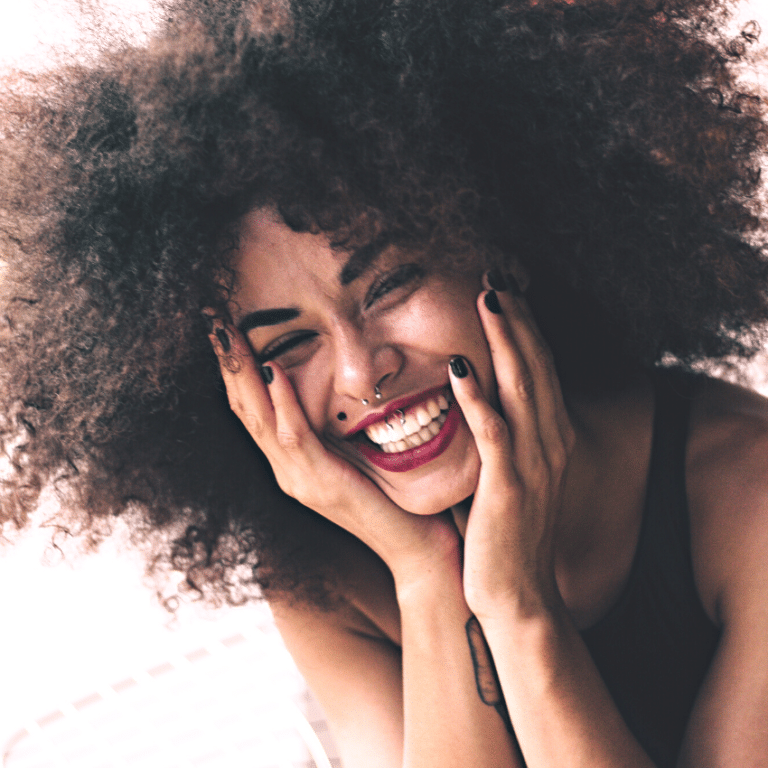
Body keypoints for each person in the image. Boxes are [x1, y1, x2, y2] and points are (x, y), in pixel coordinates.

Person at [2, 0, 768, 765]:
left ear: (498, 244)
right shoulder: (331, 579)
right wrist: (429, 577)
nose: (364, 374)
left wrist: (518, 607)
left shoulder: (745, 488)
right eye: (291, 341)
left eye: (390, 286)